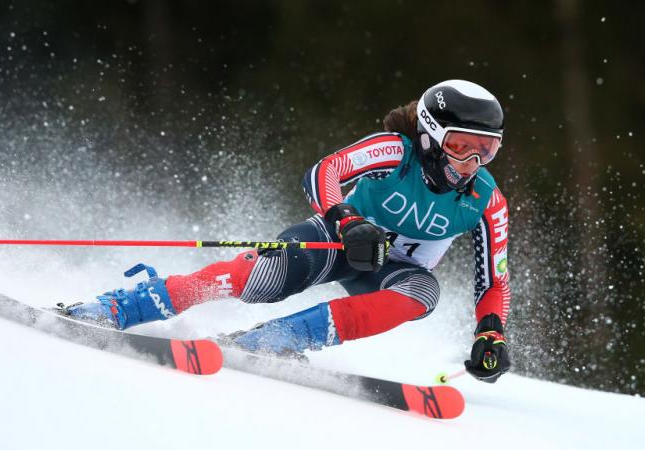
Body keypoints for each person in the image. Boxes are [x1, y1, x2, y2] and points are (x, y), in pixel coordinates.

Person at [64, 79, 512, 383]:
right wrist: (348, 221)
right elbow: (325, 172)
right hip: (337, 240)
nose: (470, 164)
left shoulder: (486, 200)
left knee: (423, 294)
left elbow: (493, 281)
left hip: (391, 270)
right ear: (431, 136)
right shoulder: (394, 151)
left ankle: (278, 339)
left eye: (485, 151)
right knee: (270, 278)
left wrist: (490, 333)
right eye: (460, 146)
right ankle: (122, 307)